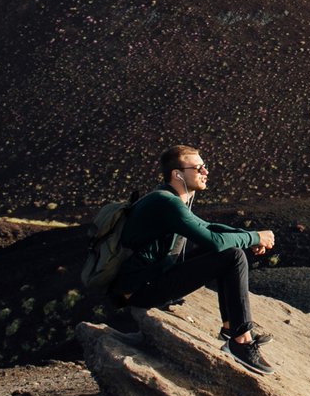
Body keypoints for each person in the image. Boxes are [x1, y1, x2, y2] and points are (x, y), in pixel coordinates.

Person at [112, 145, 278, 375]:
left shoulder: (169, 198)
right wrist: (253, 237)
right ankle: (240, 341)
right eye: (199, 167)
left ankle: (231, 329)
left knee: (232, 251)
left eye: (205, 166)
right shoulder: (167, 202)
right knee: (232, 255)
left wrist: (250, 238)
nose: (206, 172)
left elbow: (208, 227)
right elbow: (213, 240)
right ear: (177, 174)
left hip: (151, 279)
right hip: (140, 291)